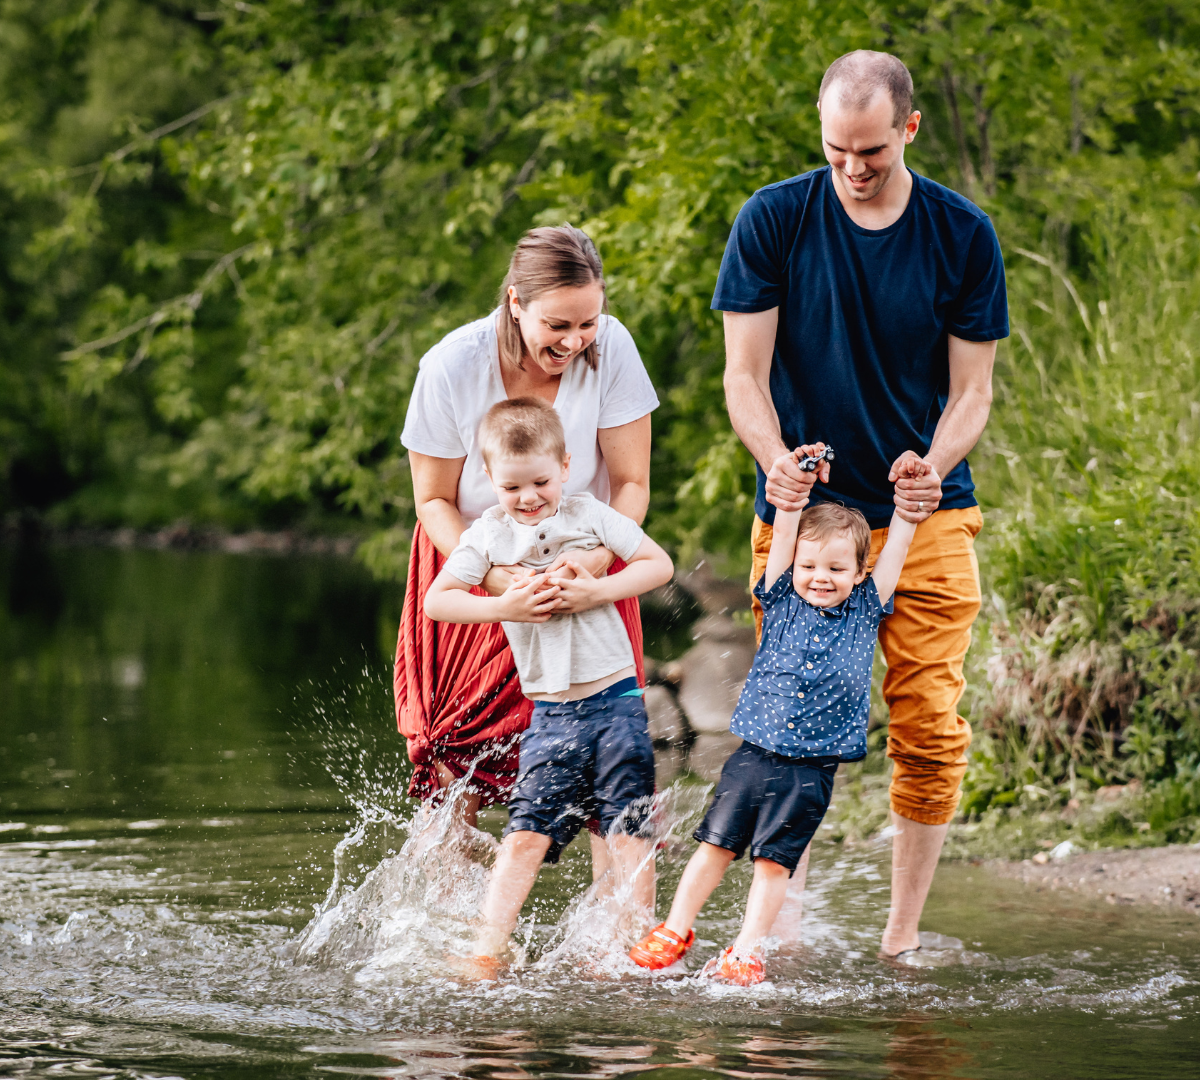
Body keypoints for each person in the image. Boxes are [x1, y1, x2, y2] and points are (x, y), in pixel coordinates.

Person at [714, 50, 1009, 957]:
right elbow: (743, 375)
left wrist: (934, 458)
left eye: (872, 149)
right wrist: (774, 461)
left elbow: (973, 392)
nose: (853, 167)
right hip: (804, 522)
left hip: (927, 511)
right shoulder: (774, 218)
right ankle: (780, 930)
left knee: (927, 724)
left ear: (909, 129)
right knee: (786, 725)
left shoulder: (961, 234)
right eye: (837, 147)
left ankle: (900, 939)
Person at [395, 226, 660, 851]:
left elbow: (632, 482)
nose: (575, 342)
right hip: (473, 563)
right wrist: (495, 580)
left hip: (590, 564)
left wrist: (593, 565)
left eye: (588, 323)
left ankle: (617, 943)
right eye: (557, 326)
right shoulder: (451, 365)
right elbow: (432, 498)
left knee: (610, 758)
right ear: (516, 302)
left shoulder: (612, 347)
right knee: (450, 754)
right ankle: (451, 930)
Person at [628, 446, 926, 984]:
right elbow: (786, 527)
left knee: (773, 864)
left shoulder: (865, 609)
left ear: (861, 573)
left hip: (810, 771)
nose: (820, 577)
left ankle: (747, 949)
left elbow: (900, 542)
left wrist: (906, 506)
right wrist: (795, 490)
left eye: (836, 568)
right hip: (753, 756)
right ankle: (675, 928)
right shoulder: (781, 597)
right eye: (810, 566)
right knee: (713, 846)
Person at [424, 397, 675, 977]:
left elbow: (657, 564)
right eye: (513, 487)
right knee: (525, 830)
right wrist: (504, 604)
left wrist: (597, 588)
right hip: (552, 714)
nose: (529, 496)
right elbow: (439, 602)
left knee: (628, 826)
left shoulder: (591, 516)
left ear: (565, 465)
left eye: (541, 480)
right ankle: (489, 949)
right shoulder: (486, 537)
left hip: (617, 702)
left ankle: (635, 947)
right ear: (489, 480)